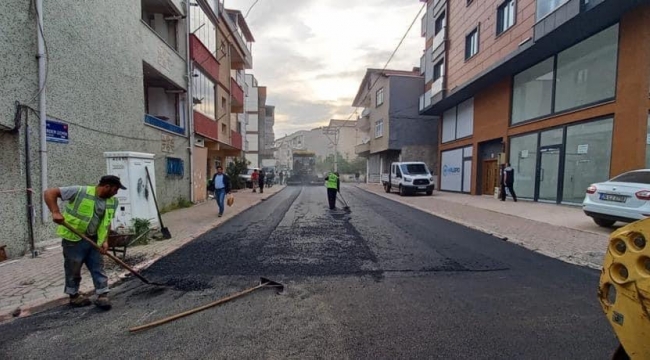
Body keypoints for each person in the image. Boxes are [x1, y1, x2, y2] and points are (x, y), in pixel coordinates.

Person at [43, 175, 126, 310]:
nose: (116, 193)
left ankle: (102, 295)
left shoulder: (112, 201)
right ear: (107, 187)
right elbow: (49, 192)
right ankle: (74, 295)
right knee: (73, 268)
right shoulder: (80, 191)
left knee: (98, 266)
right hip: (74, 239)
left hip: (95, 240)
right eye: (115, 189)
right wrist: (55, 212)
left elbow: (107, 222)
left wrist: (105, 240)